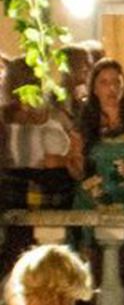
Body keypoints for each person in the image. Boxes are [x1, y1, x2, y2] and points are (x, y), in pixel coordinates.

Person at [67, 58, 124, 211]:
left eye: (117, 82)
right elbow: (76, 168)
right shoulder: (83, 122)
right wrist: (74, 165)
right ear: (94, 89)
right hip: (90, 204)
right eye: (104, 82)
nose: (112, 88)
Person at [1, 56, 72, 209]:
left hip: (52, 189)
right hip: (14, 192)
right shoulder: (5, 119)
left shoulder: (57, 116)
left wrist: (63, 161)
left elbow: (76, 154)